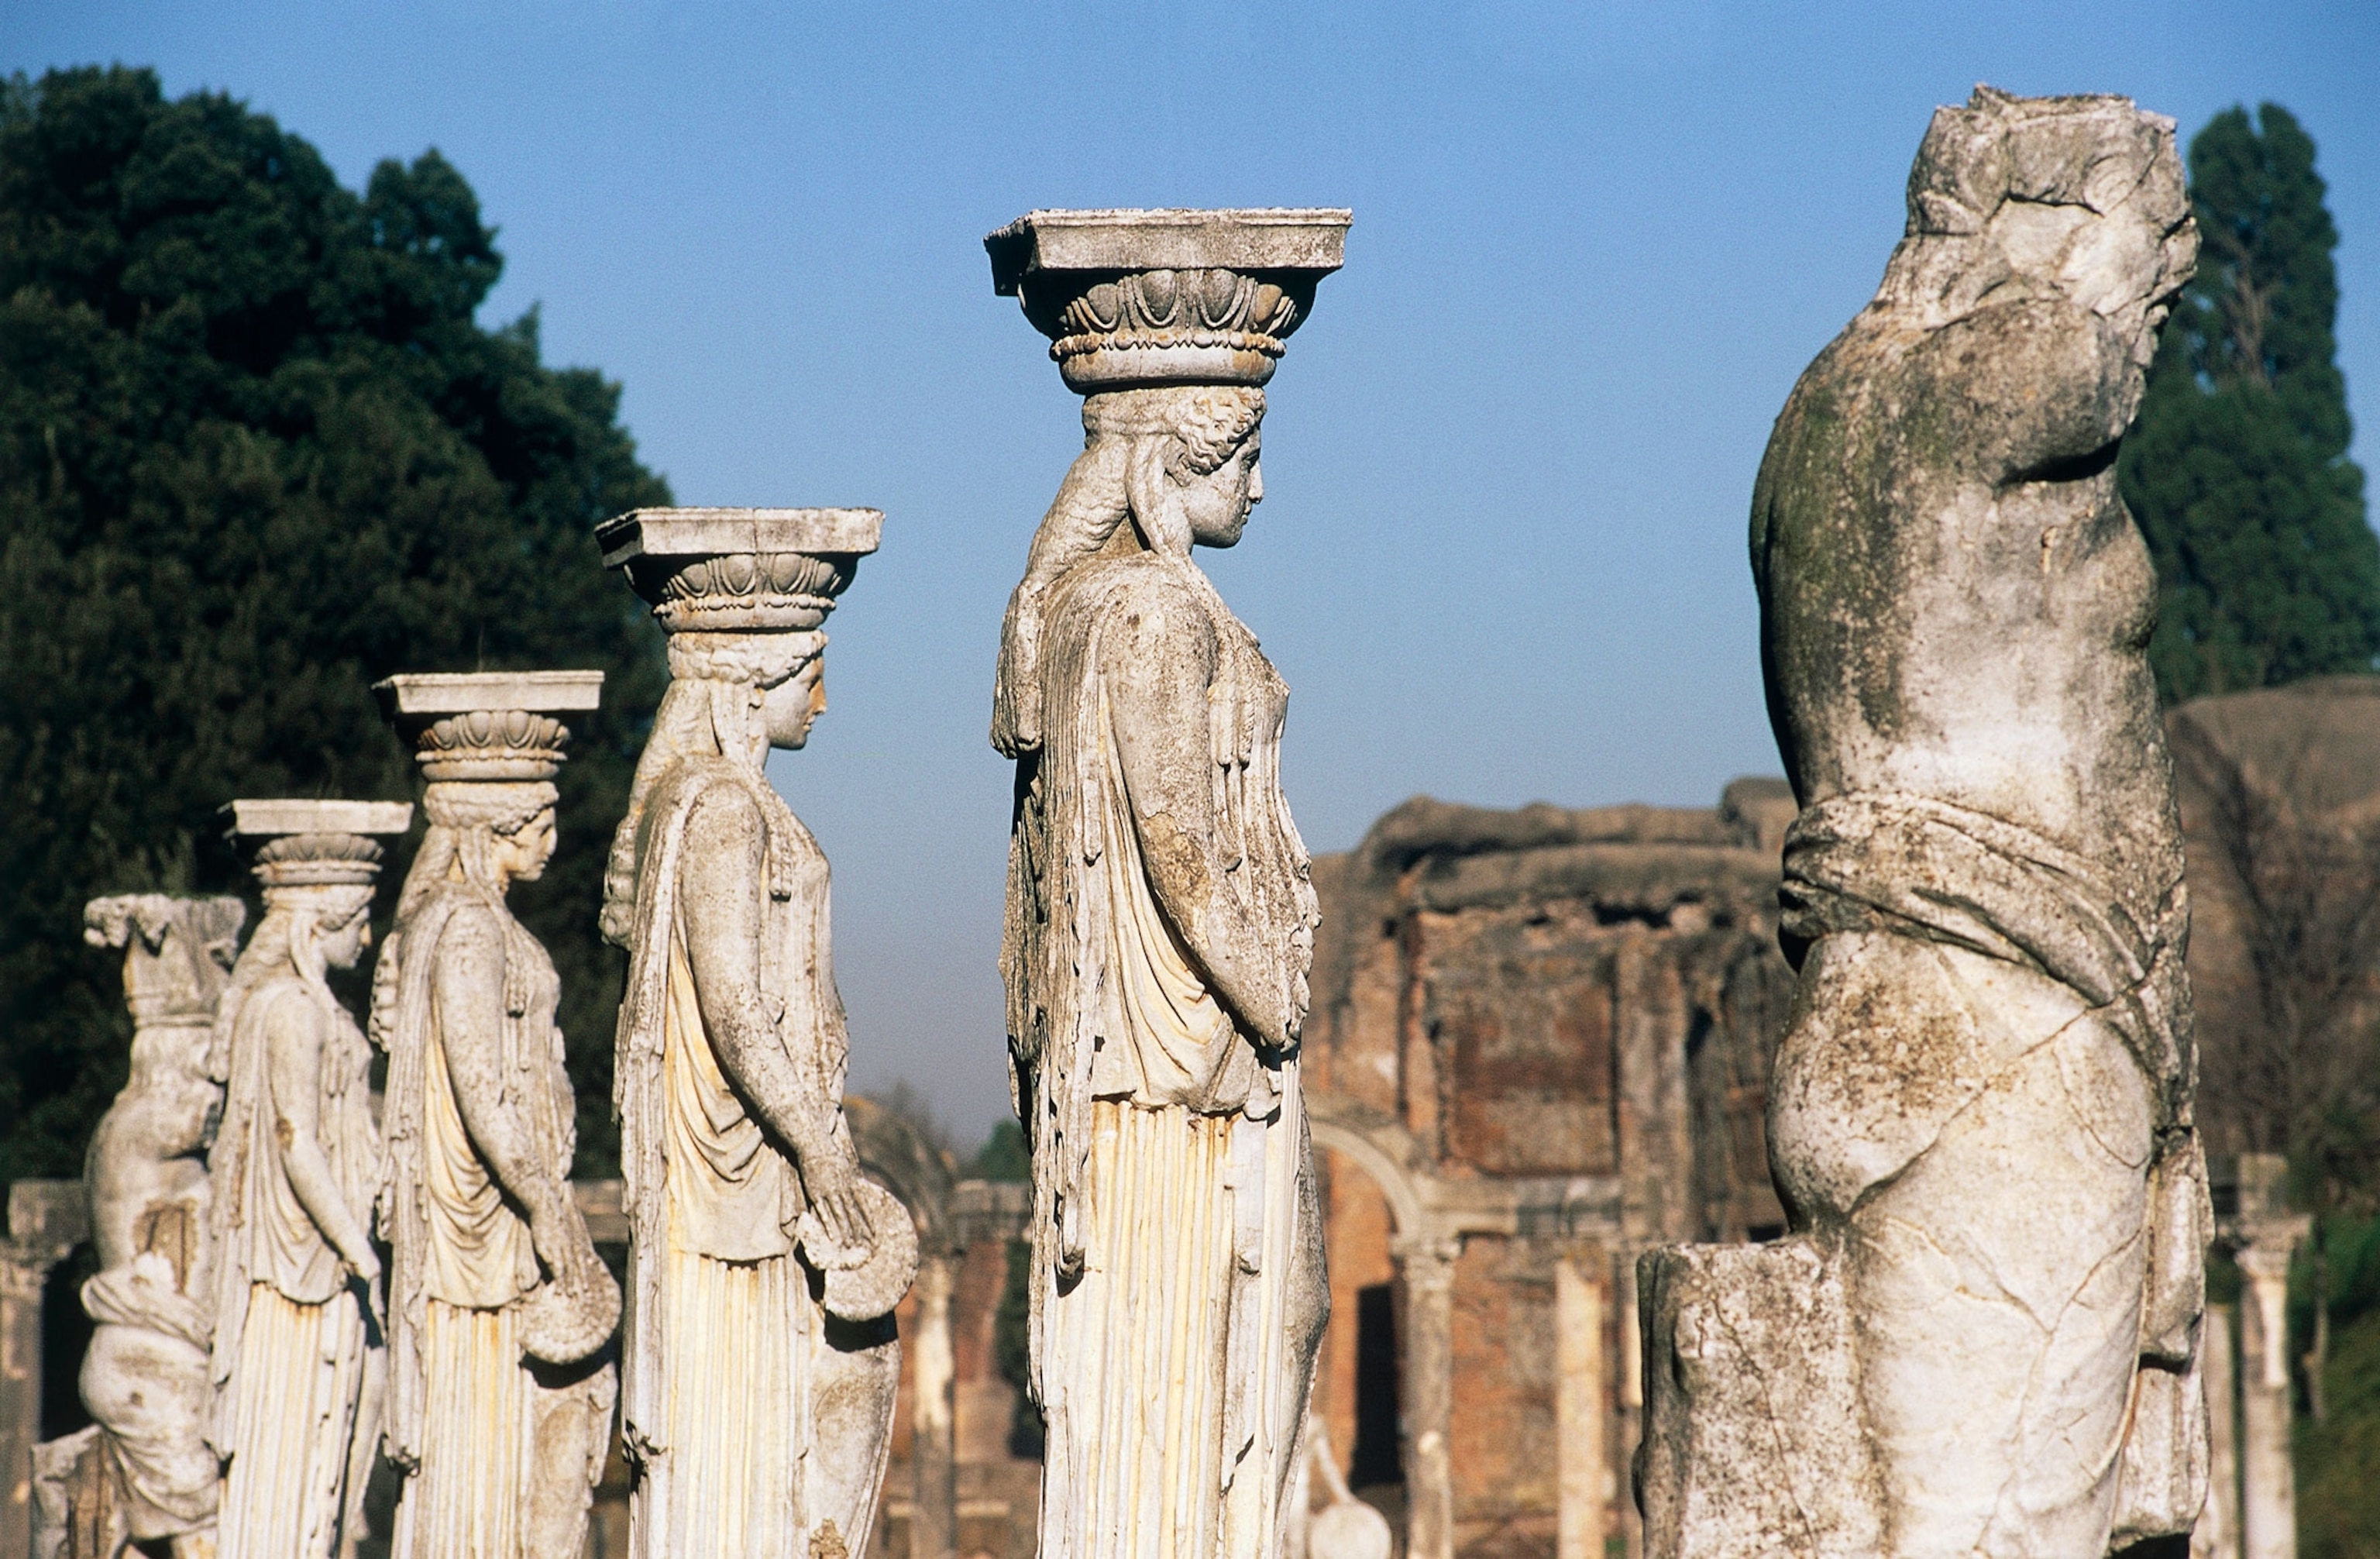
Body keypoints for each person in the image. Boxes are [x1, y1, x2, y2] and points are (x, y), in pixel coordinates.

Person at [994, 382, 1327, 1559]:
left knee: (1251, 1338)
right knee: (1188, 1369)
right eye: (1245, 458)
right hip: (1177, 1051)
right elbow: (1179, 848)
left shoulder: (1111, 599)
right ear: (1170, 469)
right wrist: (1272, 989)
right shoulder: (1149, 609)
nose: (1262, 485)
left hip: (1177, 1047)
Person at [600, 510, 900, 1559]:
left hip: (758, 1161)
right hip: (746, 1168)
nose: (820, 698)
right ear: (745, 681)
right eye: (805, 671)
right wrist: (819, 1147)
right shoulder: (724, 809)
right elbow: (733, 1008)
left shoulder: (727, 802)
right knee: (749, 1420)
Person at [374, 731, 617, 1559]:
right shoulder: (471, 928)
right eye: (538, 824)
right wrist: (545, 1200)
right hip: (482, 1223)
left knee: (511, 1421)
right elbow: (480, 1087)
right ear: (492, 827)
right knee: (481, 1425)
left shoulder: (475, 921)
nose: (552, 841)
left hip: (503, 1212)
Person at [208, 821, 397, 1559]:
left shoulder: (316, 1007)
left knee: (332, 1438)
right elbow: (297, 1142)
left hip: (325, 1261)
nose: (370, 938)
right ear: (324, 920)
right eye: (362, 920)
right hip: (301, 1264)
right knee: (292, 1442)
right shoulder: (290, 1010)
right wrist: (359, 1247)